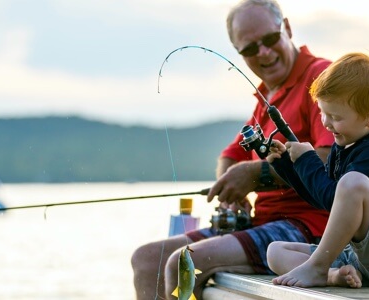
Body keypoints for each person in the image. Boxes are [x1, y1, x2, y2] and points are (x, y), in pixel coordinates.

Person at [131, 0, 335, 299]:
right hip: (262, 224)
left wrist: (257, 175)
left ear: (287, 29)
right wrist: (231, 193)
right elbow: (230, 155)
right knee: (147, 259)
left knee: (179, 263)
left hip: (307, 229)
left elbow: (331, 159)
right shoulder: (266, 97)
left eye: (269, 39)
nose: (263, 52)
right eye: (250, 49)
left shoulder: (320, 78)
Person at [264, 52, 369, 288]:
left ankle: (317, 268)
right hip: (356, 255)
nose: (326, 123)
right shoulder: (343, 146)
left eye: (335, 117)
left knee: (352, 183)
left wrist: (308, 158)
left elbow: (334, 194)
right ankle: (333, 275)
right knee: (275, 251)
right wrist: (287, 164)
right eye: (322, 112)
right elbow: (322, 197)